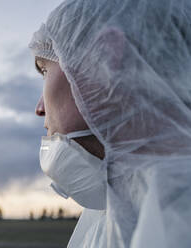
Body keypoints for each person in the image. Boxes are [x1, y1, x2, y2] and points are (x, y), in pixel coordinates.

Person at [28, 0, 191, 247]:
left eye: (45, 70)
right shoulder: (118, 214)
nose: (39, 108)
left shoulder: (176, 220)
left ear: (105, 54)